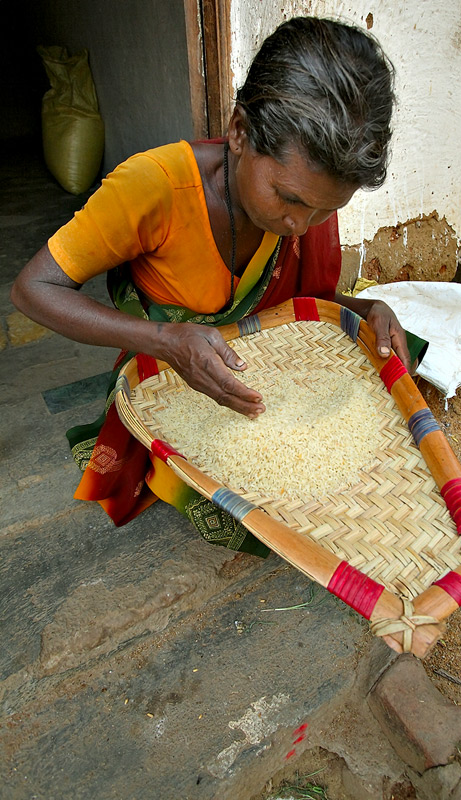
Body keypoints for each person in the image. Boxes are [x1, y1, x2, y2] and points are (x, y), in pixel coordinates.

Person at [11, 17, 420, 557]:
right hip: (170, 380)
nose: (304, 224)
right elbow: (33, 288)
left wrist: (365, 306)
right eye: (290, 199)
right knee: (252, 511)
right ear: (239, 132)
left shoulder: (309, 202)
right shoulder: (154, 187)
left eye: (329, 208)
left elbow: (295, 310)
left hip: (265, 372)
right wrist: (167, 341)